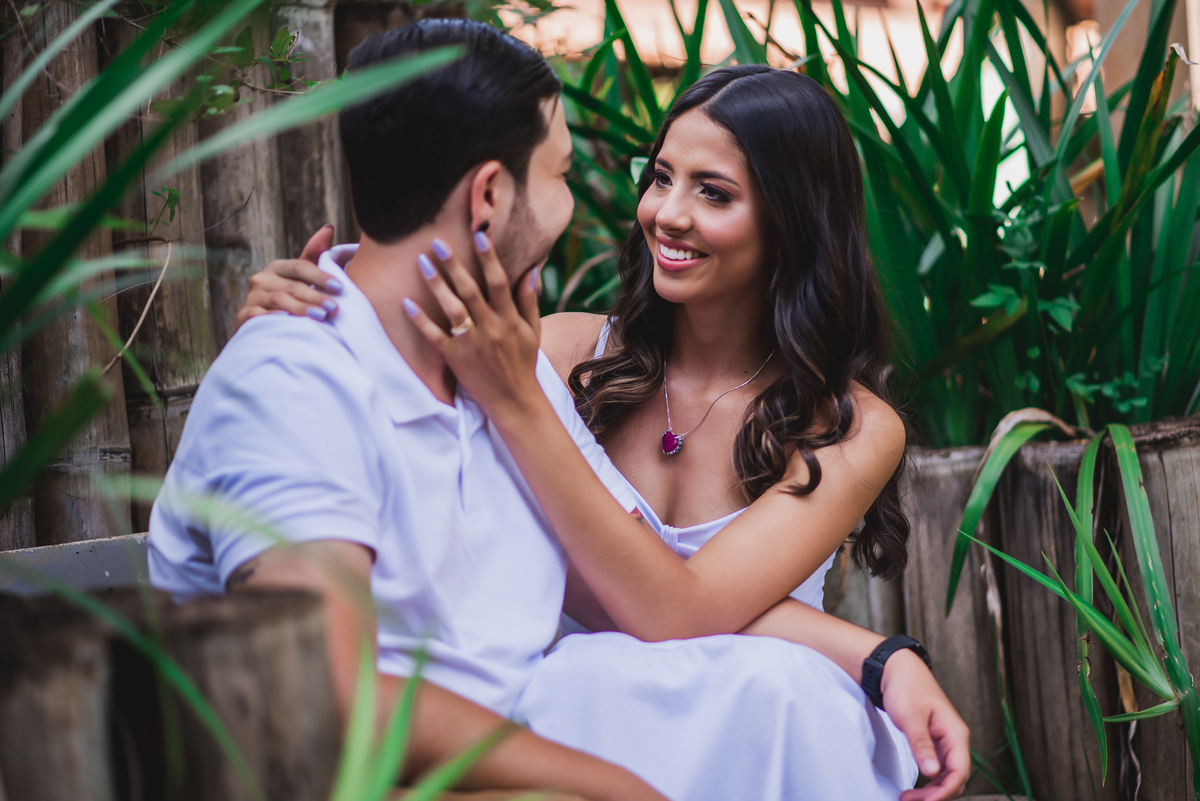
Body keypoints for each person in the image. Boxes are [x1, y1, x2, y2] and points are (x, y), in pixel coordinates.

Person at [238, 29, 968, 801]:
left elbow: (681, 607)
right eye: (661, 178)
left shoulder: (848, 426)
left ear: (793, 220)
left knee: (784, 693)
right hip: (570, 718)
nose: (667, 214)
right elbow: (392, 331)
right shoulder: (558, 353)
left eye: (712, 192)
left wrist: (875, 657)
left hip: (742, 721)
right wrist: (308, 302)